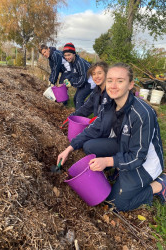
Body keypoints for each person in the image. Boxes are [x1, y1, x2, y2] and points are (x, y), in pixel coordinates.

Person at [57, 62, 165, 211]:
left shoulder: (141, 114)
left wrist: (107, 161)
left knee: (115, 204)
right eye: (110, 80)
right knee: (89, 146)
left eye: (120, 81)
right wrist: (70, 148)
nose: (113, 86)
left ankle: (160, 185)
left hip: (145, 161)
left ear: (130, 84)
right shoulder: (109, 103)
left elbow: (137, 157)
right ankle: (119, 169)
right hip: (123, 146)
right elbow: (95, 128)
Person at [62, 43, 96, 110]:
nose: (67, 57)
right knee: (75, 99)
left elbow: (82, 80)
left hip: (91, 81)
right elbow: (73, 73)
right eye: (65, 55)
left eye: (69, 55)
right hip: (84, 80)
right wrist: (67, 78)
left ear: (74, 54)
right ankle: (80, 114)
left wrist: (71, 83)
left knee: (79, 99)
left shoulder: (79, 63)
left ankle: (80, 118)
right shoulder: (71, 61)